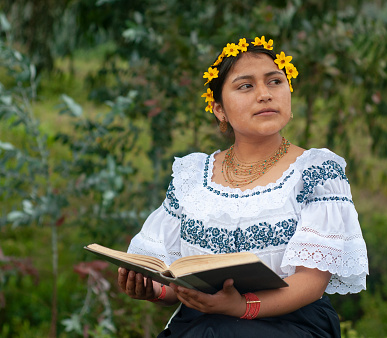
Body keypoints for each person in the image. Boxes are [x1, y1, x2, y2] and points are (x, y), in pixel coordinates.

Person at [117, 36, 369, 337]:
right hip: (203, 322)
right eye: (245, 85)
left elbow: (312, 283)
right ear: (219, 109)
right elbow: (177, 283)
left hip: (291, 324)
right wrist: (154, 289)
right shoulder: (192, 176)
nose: (264, 94)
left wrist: (240, 307)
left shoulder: (317, 172)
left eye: (275, 81)